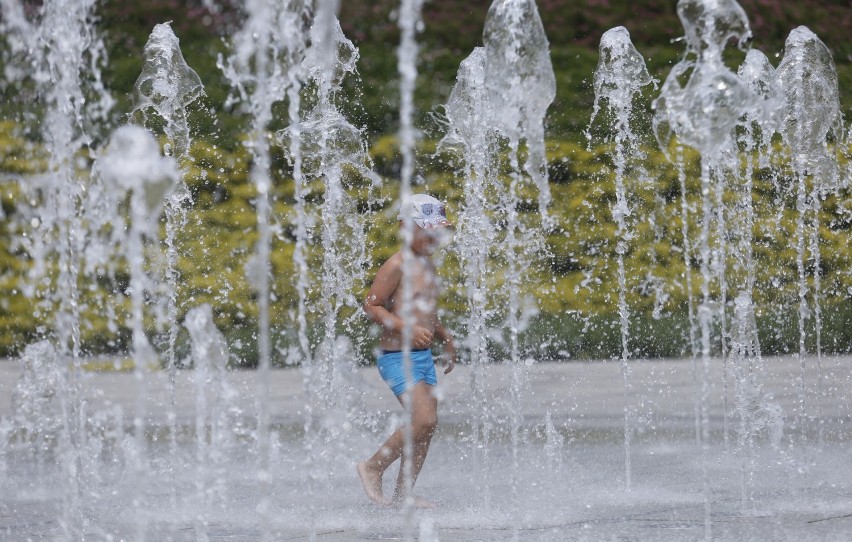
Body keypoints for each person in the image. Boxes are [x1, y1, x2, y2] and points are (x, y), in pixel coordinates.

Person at [357, 193, 457, 508]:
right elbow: (370, 307)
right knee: (422, 419)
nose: (433, 237)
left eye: (436, 231)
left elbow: (422, 307)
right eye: (425, 230)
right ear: (404, 227)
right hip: (397, 357)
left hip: (422, 356)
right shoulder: (397, 264)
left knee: (427, 425)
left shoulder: (426, 263)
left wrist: (444, 335)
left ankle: (404, 494)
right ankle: (372, 467)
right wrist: (406, 328)